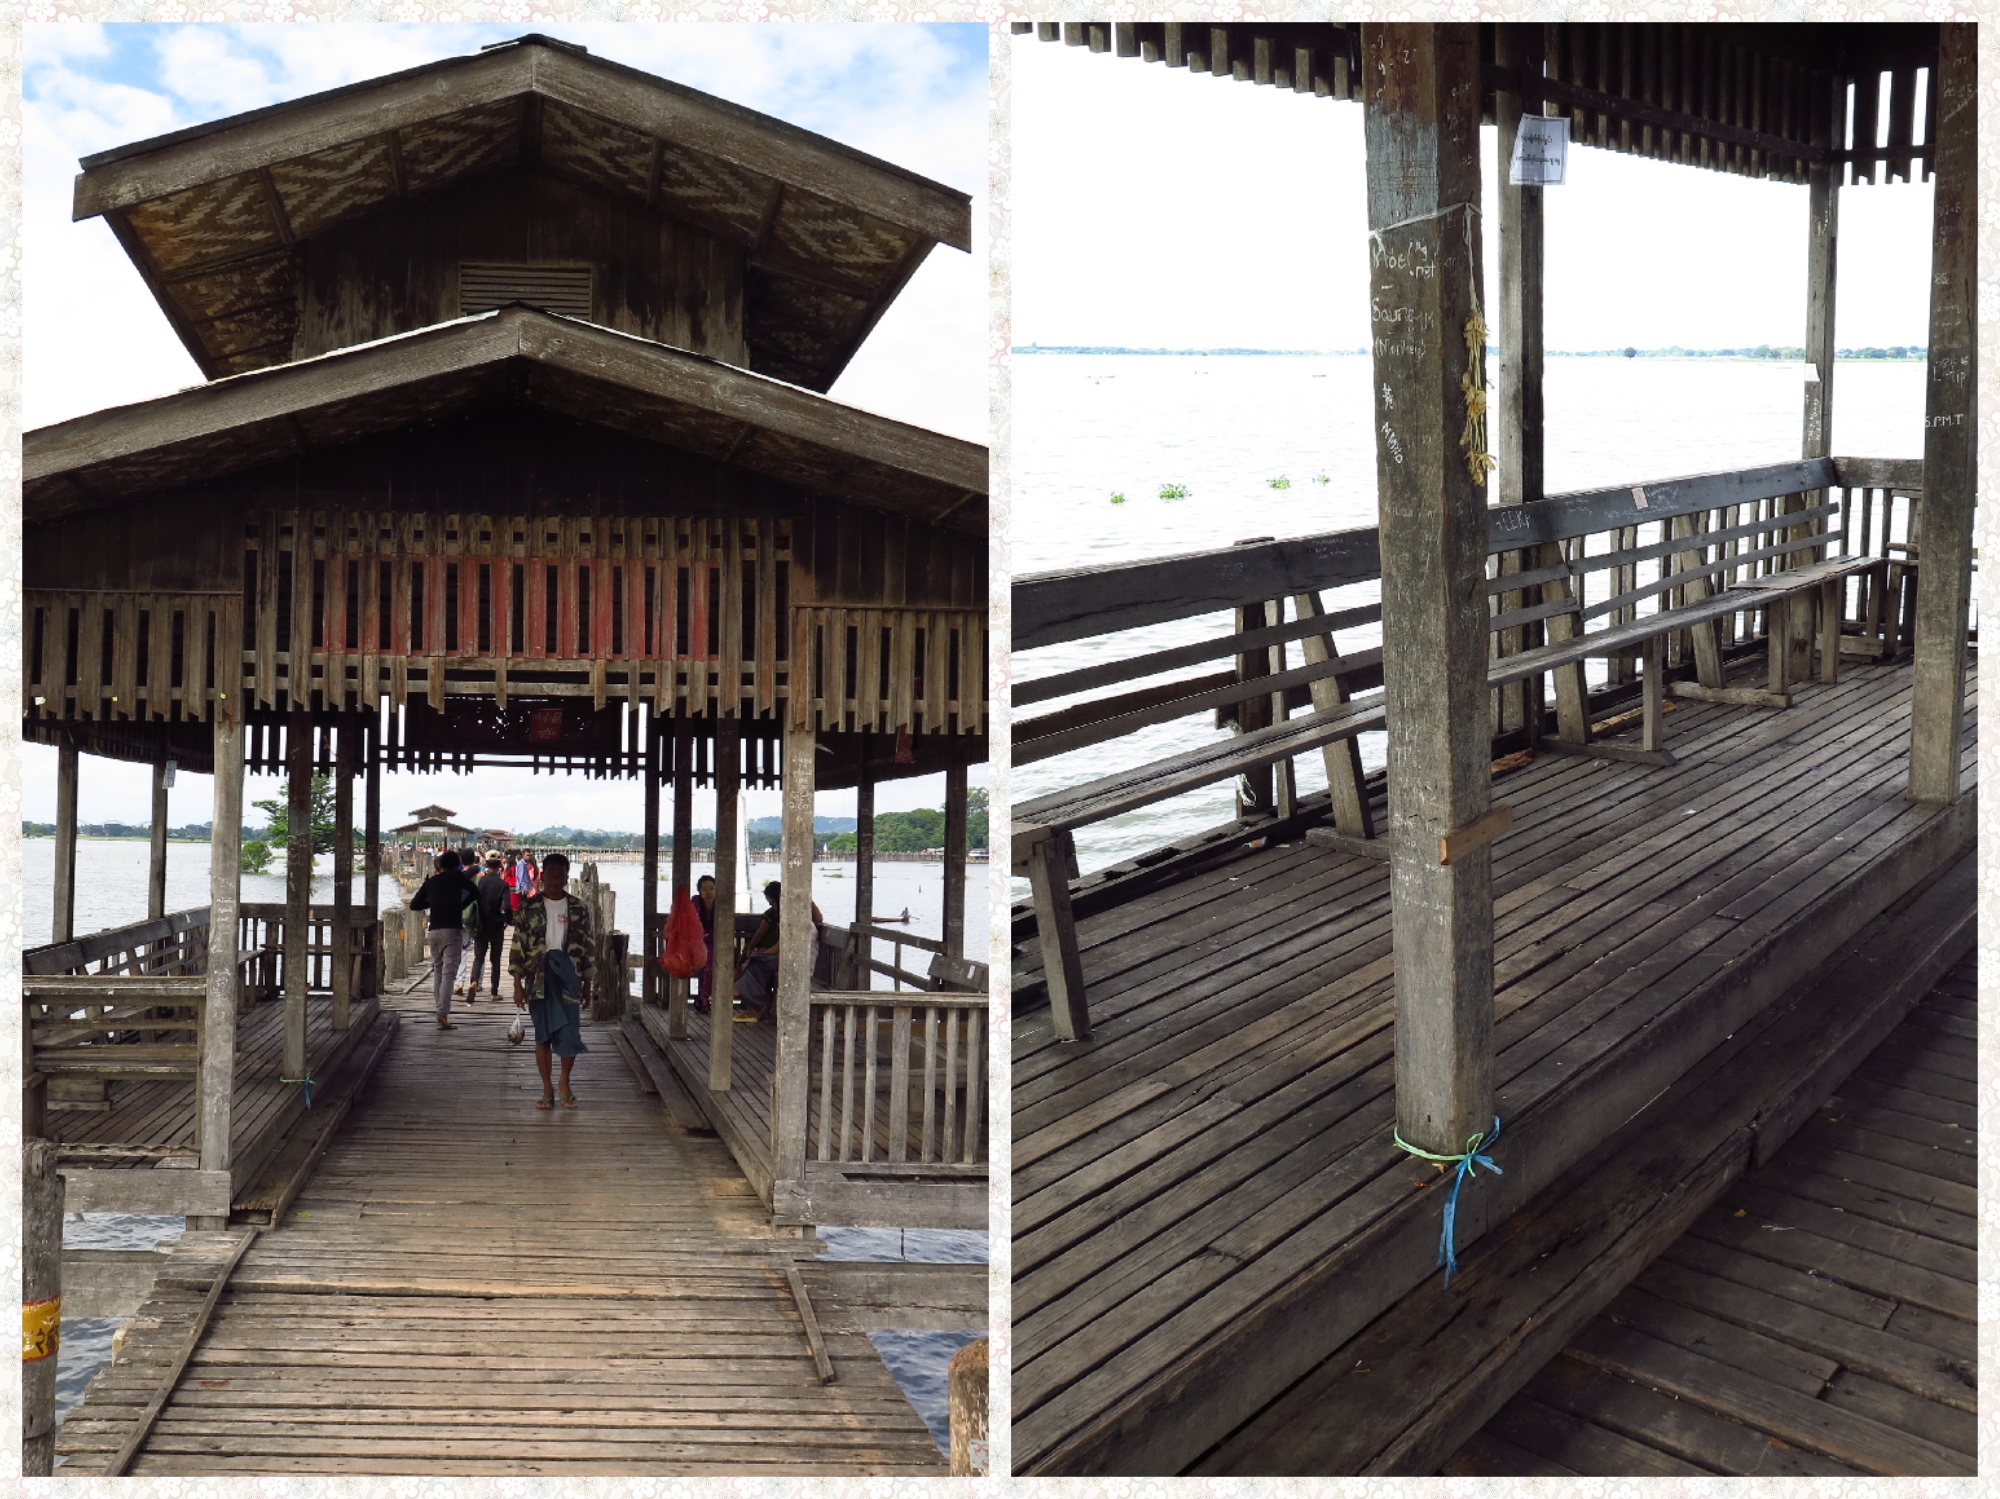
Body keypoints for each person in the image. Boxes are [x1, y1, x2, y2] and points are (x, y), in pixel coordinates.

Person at [511, 852, 593, 1109]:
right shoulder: (529, 908)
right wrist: (516, 985)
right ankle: (547, 1088)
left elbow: (589, 946)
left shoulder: (579, 908)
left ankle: (564, 1081)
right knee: (542, 1035)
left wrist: (588, 984)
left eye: (560, 874)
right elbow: (517, 946)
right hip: (539, 978)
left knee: (570, 1031)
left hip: (570, 978)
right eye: (551, 874)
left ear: (567, 877)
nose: (555, 879)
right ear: (542, 876)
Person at [733, 881, 824, 1026]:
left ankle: (754, 999)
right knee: (757, 962)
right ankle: (758, 1002)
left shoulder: (798, 925)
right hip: (791, 962)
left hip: (798, 967)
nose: (773, 907)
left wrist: (760, 952)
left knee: (756, 962)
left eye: (773, 903)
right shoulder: (797, 921)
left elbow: (777, 948)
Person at [410, 851, 480, 1030]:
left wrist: (434, 902)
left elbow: (415, 905)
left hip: (433, 931)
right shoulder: (458, 877)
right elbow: (475, 892)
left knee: (438, 969)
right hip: (452, 930)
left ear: (439, 865)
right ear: (457, 863)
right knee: (449, 972)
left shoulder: (431, 881)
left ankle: (438, 1008)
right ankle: (442, 1013)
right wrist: (459, 905)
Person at [463, 853, 512, 1001]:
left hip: (480, 924)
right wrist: (507, 920)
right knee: (495, 960)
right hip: (496, 926)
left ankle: (474, 981)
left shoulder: (479, 882)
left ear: (487, 867)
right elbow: (507, 906)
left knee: (479, 957)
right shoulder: (503, 885)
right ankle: (494, 992)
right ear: (498, 868)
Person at [694, 874, 717, 1014]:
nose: (708, 893)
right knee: (709, 958)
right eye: (704, 889)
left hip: (715, 944)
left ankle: (705, 998)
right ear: (699, 891)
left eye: (712, 889)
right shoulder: (696, 903)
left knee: (712, 957)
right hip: (698, 943)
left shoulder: (720, 905)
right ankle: (704, 999)